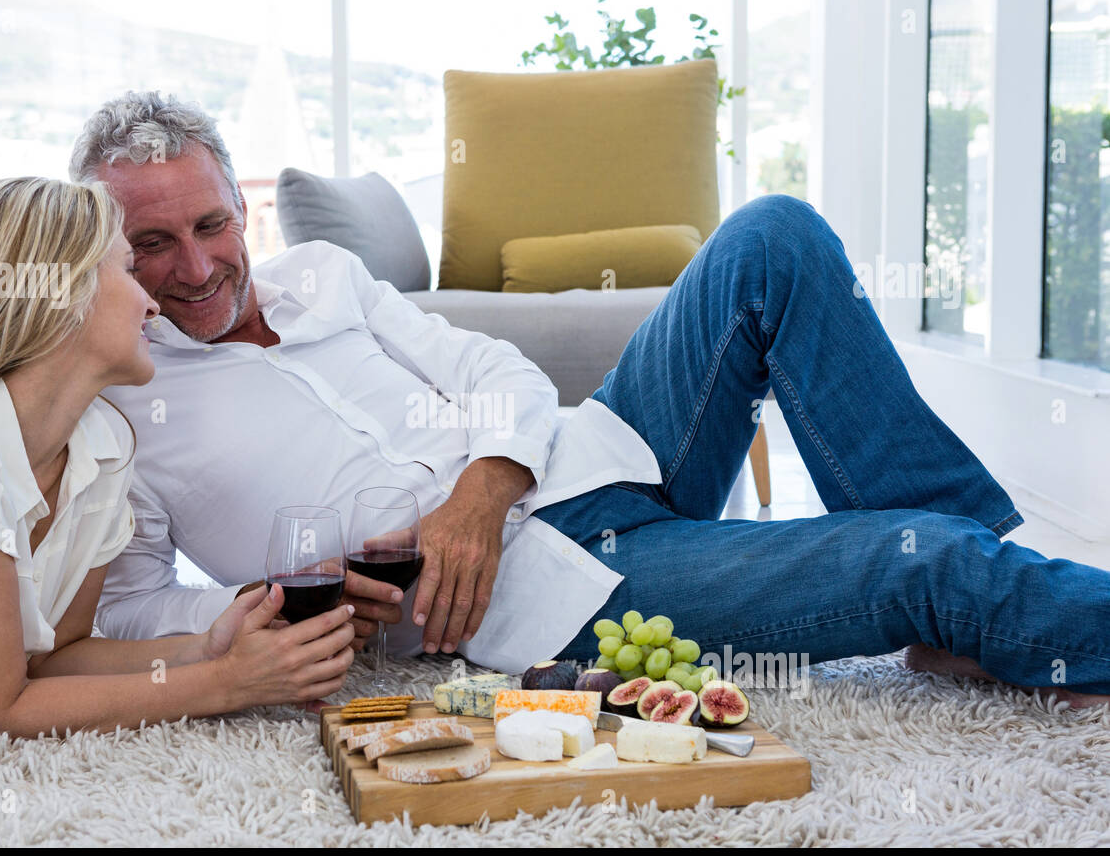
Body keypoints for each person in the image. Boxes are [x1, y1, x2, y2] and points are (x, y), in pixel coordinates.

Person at [78, 91, 1110, 707]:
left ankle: (972, 618)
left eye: (212, 224)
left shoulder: (323, 278)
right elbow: (130, 607)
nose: (200, 265)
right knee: (929, 562)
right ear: (104, 249)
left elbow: (504, 377)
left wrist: (478, 493)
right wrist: (287, 597)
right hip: (554, 591)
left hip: (600, 449)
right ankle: (981, 604)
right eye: (154, 244)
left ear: (241, 206)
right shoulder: (122, 406)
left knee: (772, 234)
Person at [0, 176, 359, 738]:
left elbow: (56, 658)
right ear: (60, 297)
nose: (151, 303)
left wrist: (208, 647)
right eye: (127, 270)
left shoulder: (102, 448)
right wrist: (227, 684)